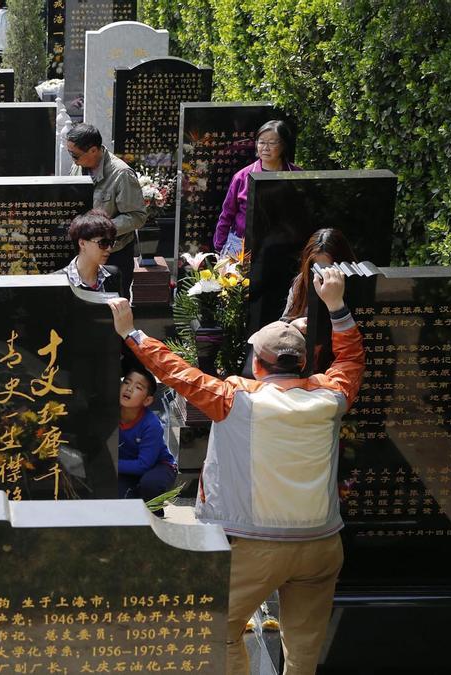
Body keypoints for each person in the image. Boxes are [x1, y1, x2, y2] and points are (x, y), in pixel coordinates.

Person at [106, 266, 364, 675]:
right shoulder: (331, 396)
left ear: (257, 364)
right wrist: (337, 306)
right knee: (304, 646)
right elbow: (351, 357)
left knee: (216, 630)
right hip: (322, 544)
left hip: (257, 545)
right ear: (300, 363)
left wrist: (132, 333)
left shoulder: (234, 399)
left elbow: (175, 371)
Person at [65, 123, 147, 300]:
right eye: (70, 153)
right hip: (84, 254)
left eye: (75, 155)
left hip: (112, 254)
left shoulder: (121, 174)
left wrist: (101, 230)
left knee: (113, 307)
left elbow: (137, 217)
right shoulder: (78, 166)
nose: (72, 159)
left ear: (93, 150)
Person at [213, 120, 302, 257]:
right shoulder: (242, 177)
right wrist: (220, 248)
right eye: (261, 142)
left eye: (272, 143)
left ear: (284, 145)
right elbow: (226, 215)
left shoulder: (297, 175)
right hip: (240, 245)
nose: (265, 148)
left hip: (283, 247)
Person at [116, 364, 178, 505]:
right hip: (127, 466)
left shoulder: (151, 424)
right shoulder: (110, 415)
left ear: (147, 400)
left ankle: (156, 511)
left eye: (138, 387)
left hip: (159, 466)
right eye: (126, 382)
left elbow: (144, 464)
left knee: (150, 485)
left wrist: (112, 465)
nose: (129, 389)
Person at [282, 227, 356, 323]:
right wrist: (295, 324)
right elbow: (284, 322)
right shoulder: (302, 282)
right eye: (317, 269)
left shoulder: (357, 286)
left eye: (329, 269)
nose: (323, 276)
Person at [61, 208, 121, 293]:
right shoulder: (56, 280)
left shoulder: (113, 274)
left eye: (111, 243)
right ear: (82, 243)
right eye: (103, 243)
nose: (109, 249)